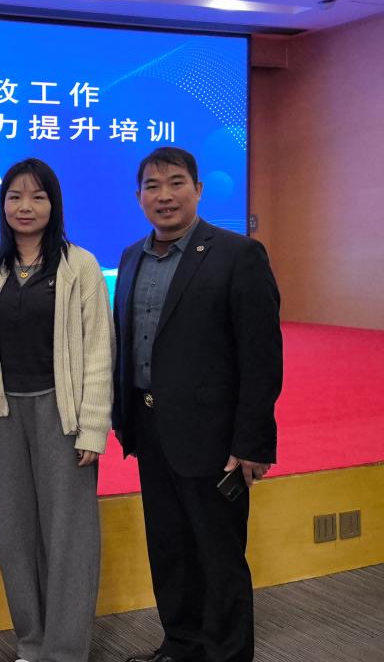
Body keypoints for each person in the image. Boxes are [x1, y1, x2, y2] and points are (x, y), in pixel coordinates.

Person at [112, 147, 282, 662]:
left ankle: (226, 653)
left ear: (198, 190)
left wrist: (252, 441)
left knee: (218, 553)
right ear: (138, 196)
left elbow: (261, 356)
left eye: (176, 183)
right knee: (169, 547)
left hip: (213, 436)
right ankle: (180, 644)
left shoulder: (237, 254)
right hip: (149, 427)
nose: (164, 196)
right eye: (152, 186)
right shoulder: (131, 257)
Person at [0, 158, 114, 662]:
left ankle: (65, 650)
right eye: (14, 197)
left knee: (69, 536)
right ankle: (31, 644)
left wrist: (93, 427)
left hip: (62, 414)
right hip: (5, 415)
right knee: (15, 535)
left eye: (37, 196)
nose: (24, 207)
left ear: (54, 204)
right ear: (2, 205)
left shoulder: (80, 266)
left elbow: (99, 351)